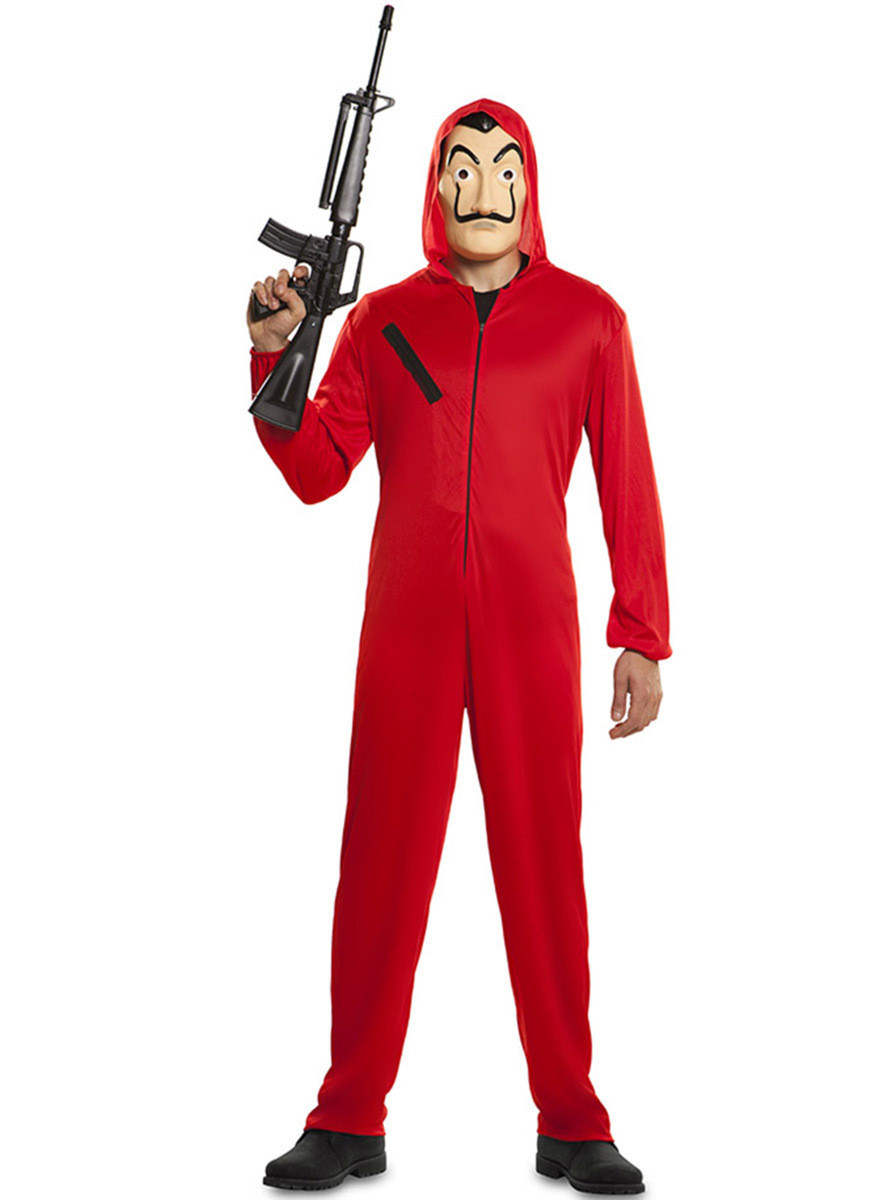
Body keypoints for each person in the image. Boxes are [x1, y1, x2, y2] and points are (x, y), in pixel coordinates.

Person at [247, 97, 670, 1194]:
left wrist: (641, 632)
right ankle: (348, 1116)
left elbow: (626, 479)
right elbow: (316, 473)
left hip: (533, 630)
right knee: (378, 866)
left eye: (504, 166)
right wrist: (271, 359)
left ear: (531, 185)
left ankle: (572, 1120)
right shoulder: (382, 321)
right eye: (463, 167)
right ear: (434, 186)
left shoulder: (588, 321)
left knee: (545, 870)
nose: (484, 187)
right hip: (409, 630)